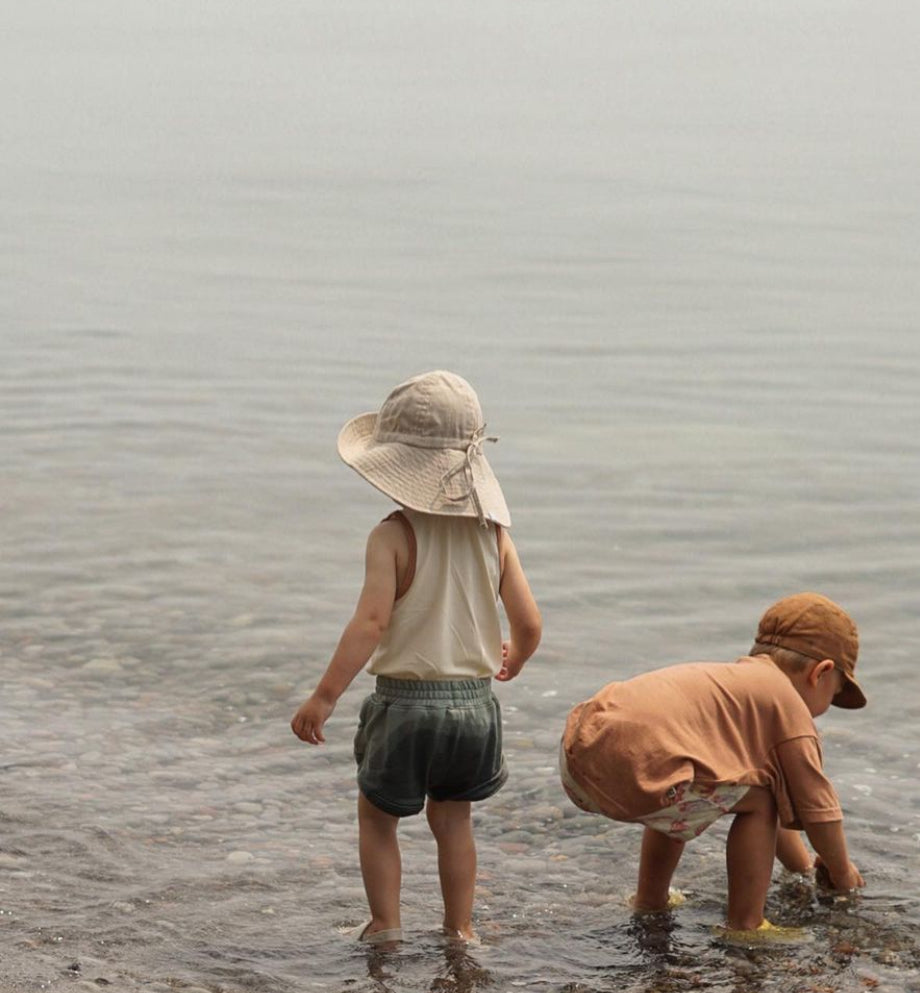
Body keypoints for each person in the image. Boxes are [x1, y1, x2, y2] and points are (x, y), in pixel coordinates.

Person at [291, 370, 542, 945]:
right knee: (453, 822)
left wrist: (324, 695)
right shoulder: (494, 533)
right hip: (475, 708)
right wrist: (517, 657)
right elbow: (528, 623)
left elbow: (371, 623)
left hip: (404, 706)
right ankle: (460, 930)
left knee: (379, 819)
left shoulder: (391, 537)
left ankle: (386, 925)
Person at [559, 592, 865, 941]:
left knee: (690, 782)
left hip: (581, 752)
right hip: (642, 768)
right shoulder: (789, 709)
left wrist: (804, 869)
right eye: (834, 693)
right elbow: (820, 811)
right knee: (760, 801)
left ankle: (650, 901)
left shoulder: (734, 686)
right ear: (821, 673)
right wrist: (843, 875)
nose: (824, 709)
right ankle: (746, 925)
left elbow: (781, 804)